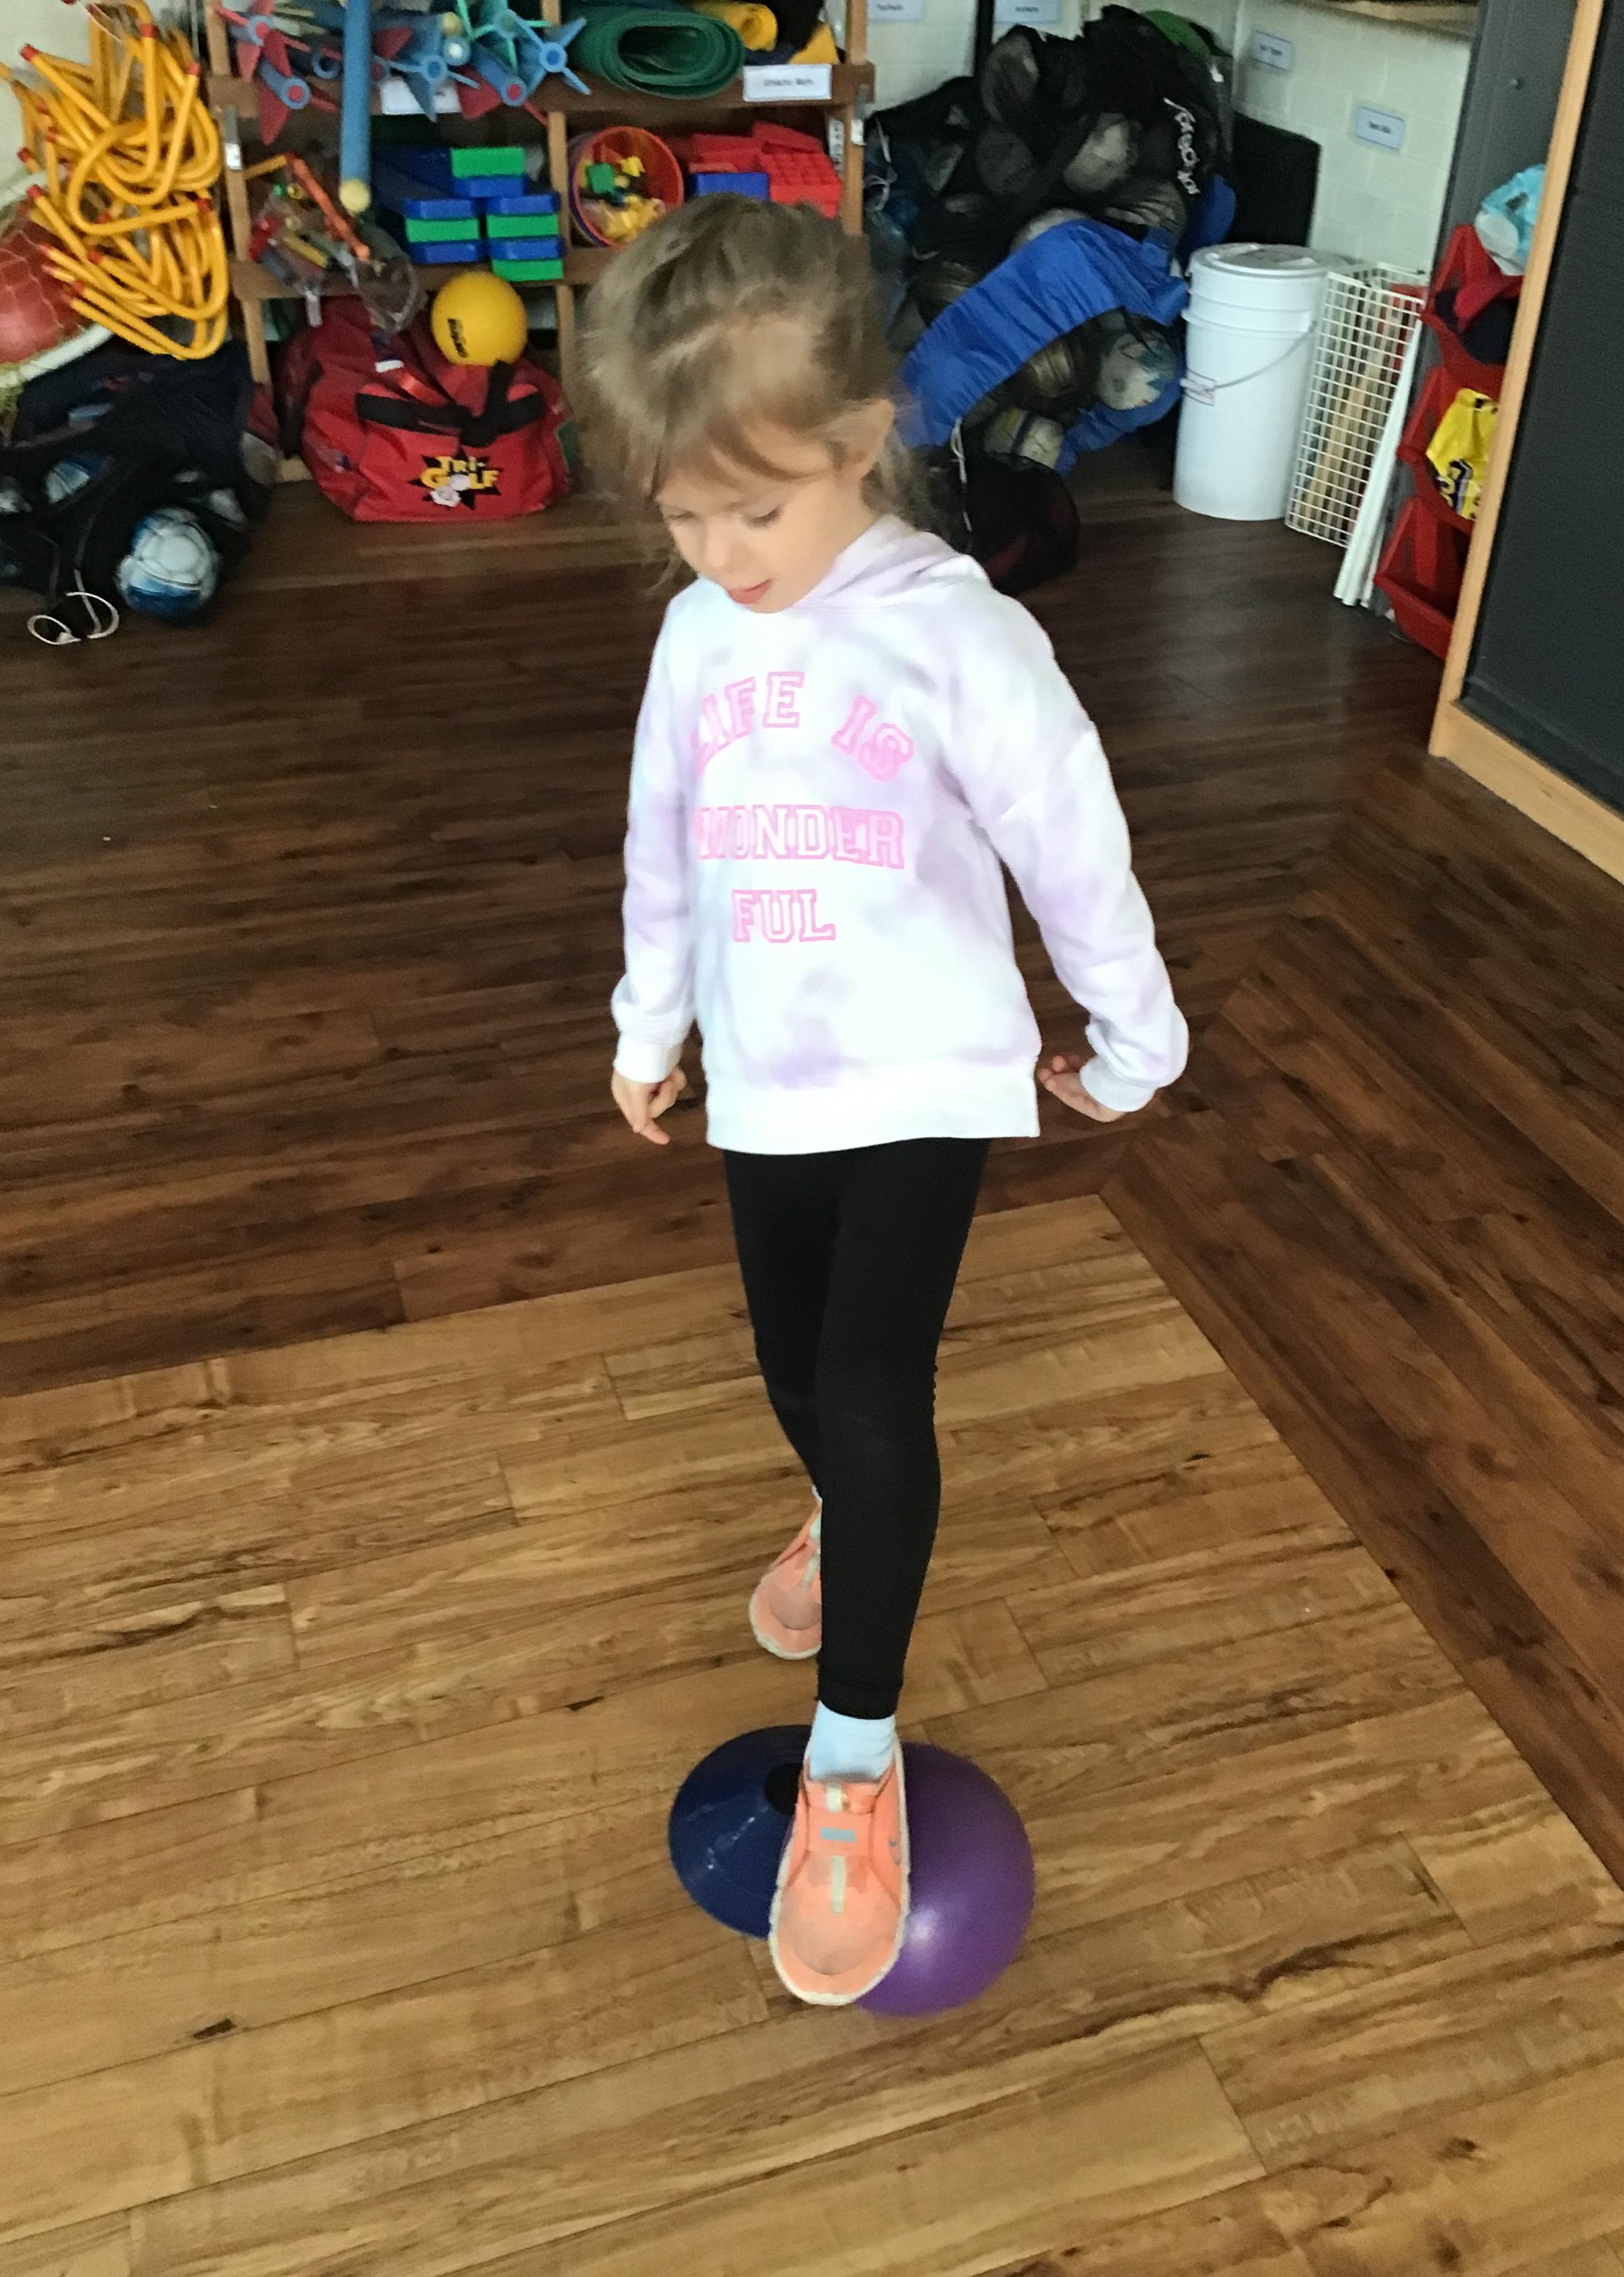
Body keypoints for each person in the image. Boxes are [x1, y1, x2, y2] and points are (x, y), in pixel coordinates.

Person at [580, 197, 1187, 2008]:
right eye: (684, 515)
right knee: (794, 1371)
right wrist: (648, 1022)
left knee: (865, 1385)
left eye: (755, 510)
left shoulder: (955, 637)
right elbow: (664, 845)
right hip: (769, 1080)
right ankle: (847, 1513)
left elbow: (1072, 847)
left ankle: (853, 1757)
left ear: (859, 440)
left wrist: (1134, 1038)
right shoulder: (699, 638)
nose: (721, 553)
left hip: (927, 1072)